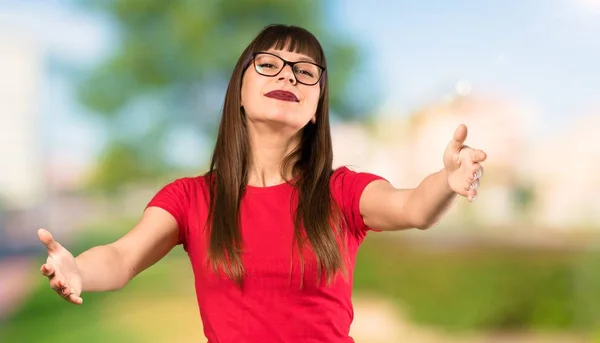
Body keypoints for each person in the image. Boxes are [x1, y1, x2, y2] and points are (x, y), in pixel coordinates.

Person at [37, 24, 486, 342]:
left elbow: (413, 207)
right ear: (239, 90)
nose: (288, 74)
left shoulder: (343, 192)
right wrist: (79, 271)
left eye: (306, 72)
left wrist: (447, 180)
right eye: (270, 64)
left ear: (316, 109)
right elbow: (121, 257)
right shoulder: (190, 198)